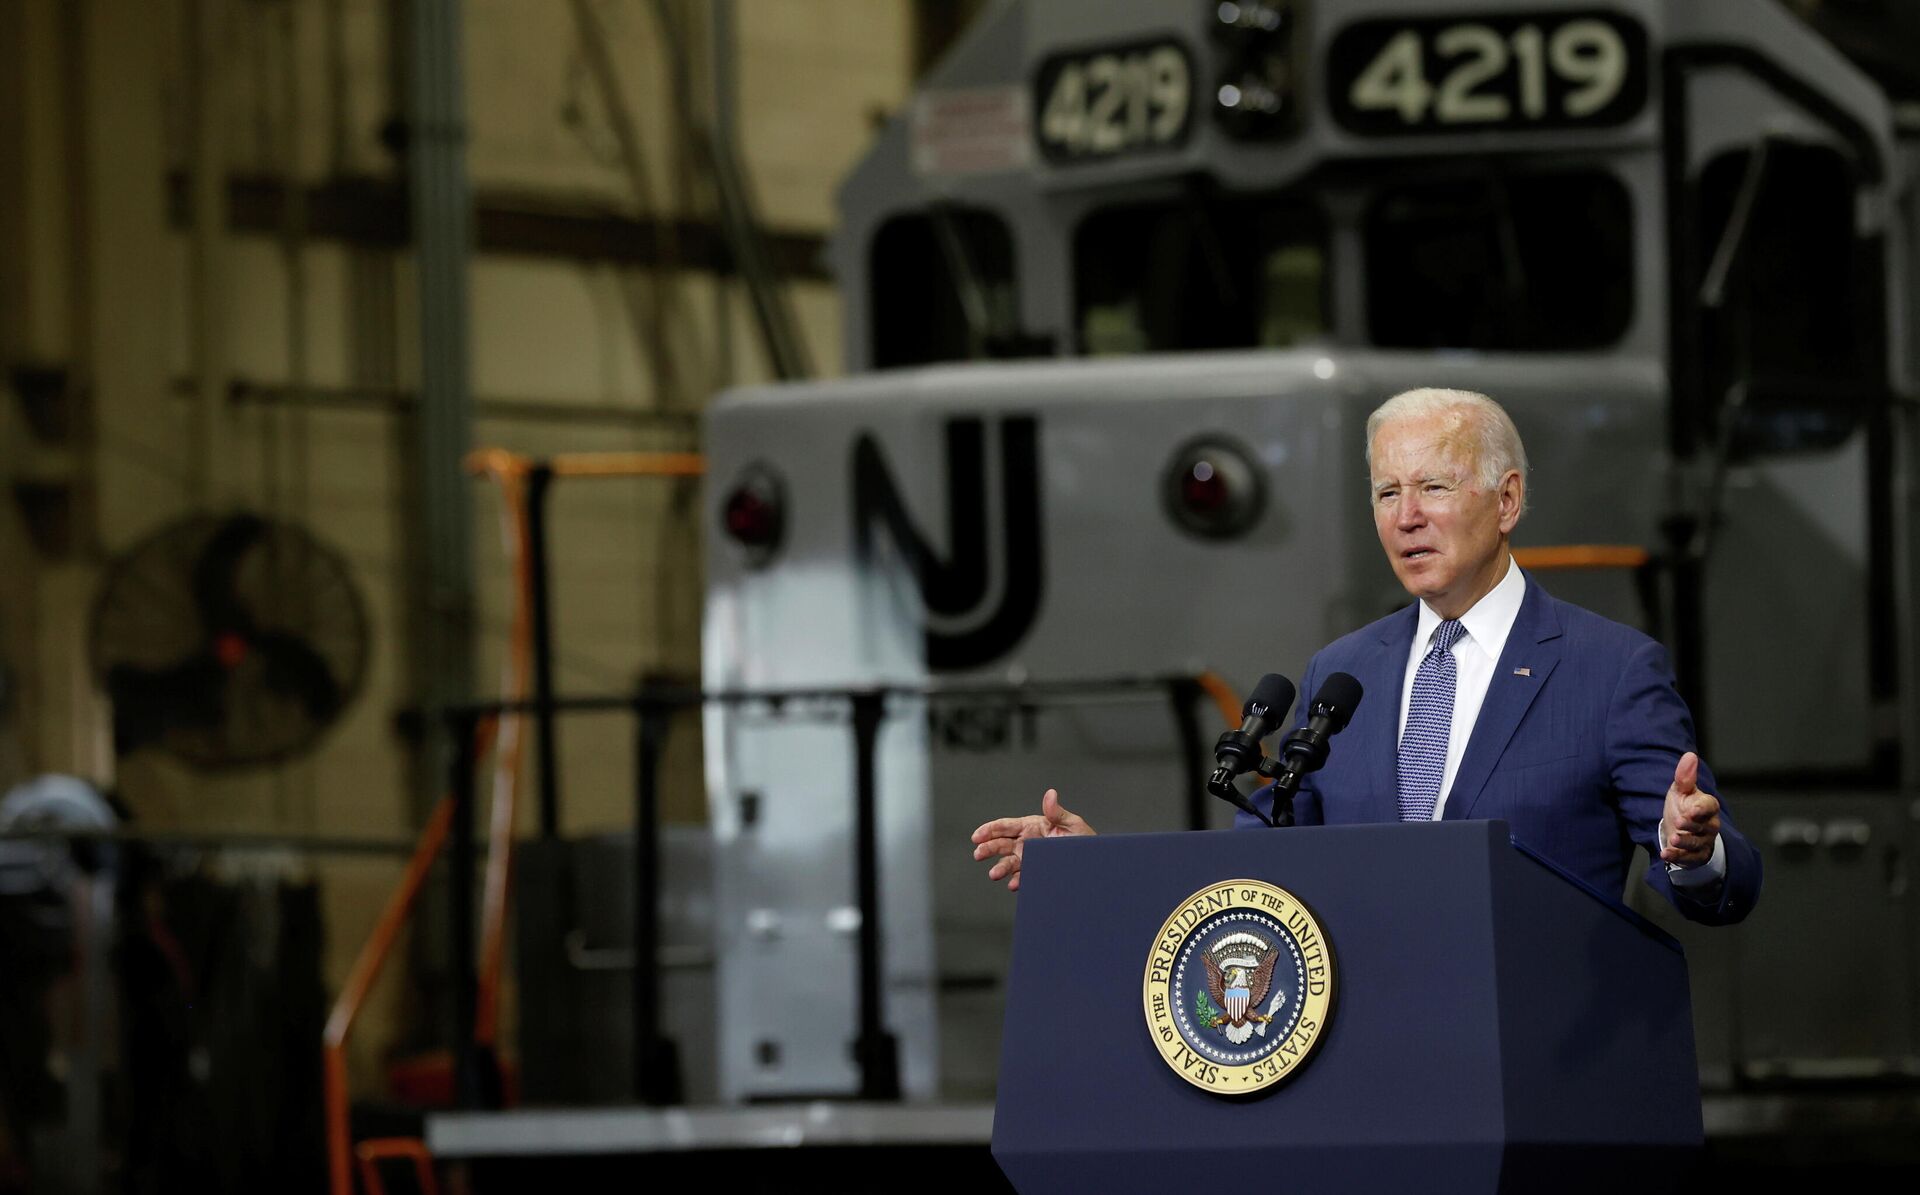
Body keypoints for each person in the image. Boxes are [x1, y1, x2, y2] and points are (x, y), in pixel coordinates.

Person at [971, 388, 1759, 925]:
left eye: (1435, 489)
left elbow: (1730, 884)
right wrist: (1093, 870)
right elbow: (1257, 877)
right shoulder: (1342, 677)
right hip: (1366, 1079)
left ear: (1508, 500)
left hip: (1539, 1076)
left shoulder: (1611, 670)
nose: (1407, 518)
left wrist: (1694, 851)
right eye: (1387, 494)